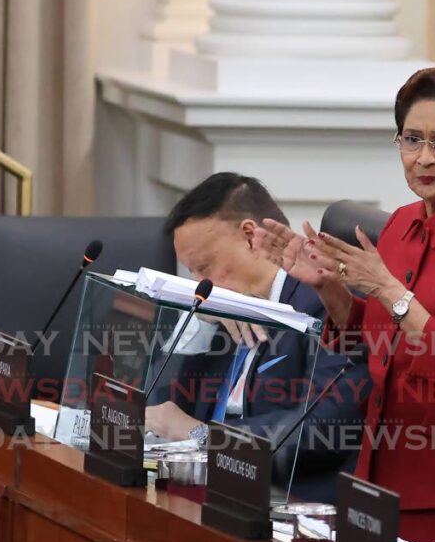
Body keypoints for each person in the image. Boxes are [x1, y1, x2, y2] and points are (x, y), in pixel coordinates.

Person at [252, 66, 435, 542]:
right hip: (387, 468)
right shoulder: (405, 223)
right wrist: (330, 288)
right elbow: (378, 340)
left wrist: (391, 292)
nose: (423, 158)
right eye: (411, 139)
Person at [146, 172, 368, 503]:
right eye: (191, 272)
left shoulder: (326, 306)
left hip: (284, 503)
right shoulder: (221, 304)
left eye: (204, 267)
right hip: (205, 489)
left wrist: (201, 435)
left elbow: (317, 432)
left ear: (251, 238)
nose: (198, 284)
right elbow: (159, 408)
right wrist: (202, 323)